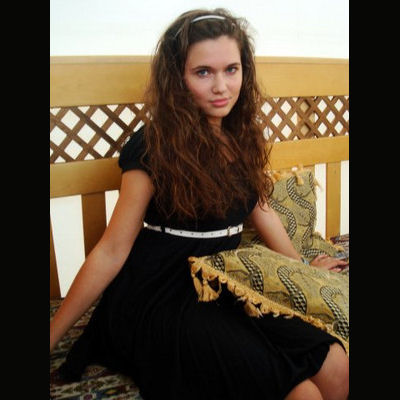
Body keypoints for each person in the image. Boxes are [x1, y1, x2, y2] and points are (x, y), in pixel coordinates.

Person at [50, 8, 349, 400]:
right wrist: (51, 337)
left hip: (223, 277)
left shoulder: (241, 136)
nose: (221, 86)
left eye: (231, 69)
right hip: (162, 288)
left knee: (337, 365)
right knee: (302, 393)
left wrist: (301, 269)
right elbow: (111, 250)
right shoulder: (153, 144)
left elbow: (262, 210)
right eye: (203, 72)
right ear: (177, 78)